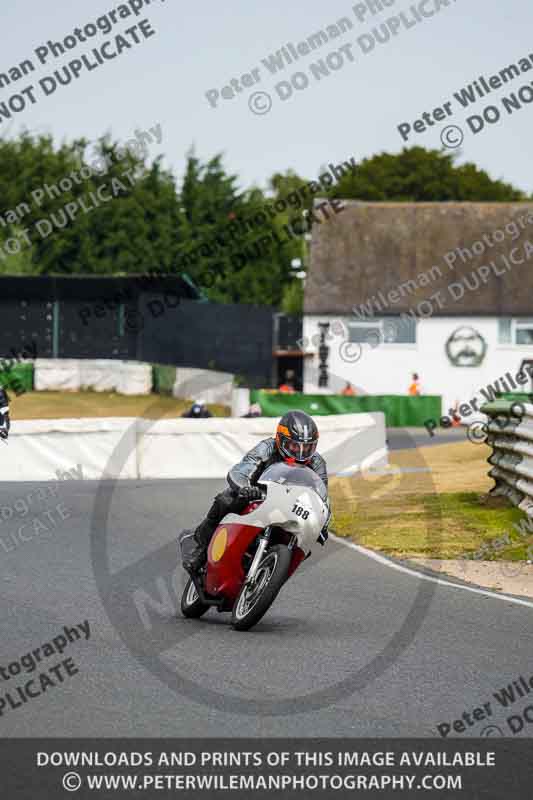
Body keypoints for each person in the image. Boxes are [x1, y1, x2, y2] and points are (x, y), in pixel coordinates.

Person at [182, 409, 330, 573]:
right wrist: (245, 488)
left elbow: (321, 497)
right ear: (280, 439)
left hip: (290, 505)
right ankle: (201, 550)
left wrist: (323, 524)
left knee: (305, 544)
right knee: (226, 499)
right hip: (257, 494)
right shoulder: (267, 447)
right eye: (294, 446)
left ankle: (277, 572)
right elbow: (241, 471)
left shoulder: (317, 463)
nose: (300, 453)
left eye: (307, 448)